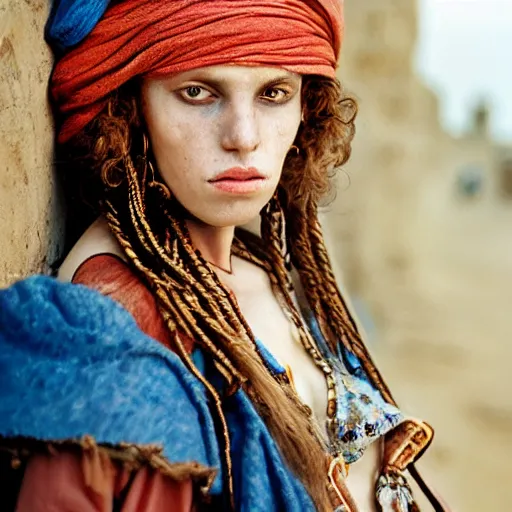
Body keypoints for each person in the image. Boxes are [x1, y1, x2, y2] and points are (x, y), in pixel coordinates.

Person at [0, 1, 449, 510]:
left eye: (273, 94)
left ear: (306, 108)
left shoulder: (265, 267)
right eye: (197, 92)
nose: (244, 138)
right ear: (130, 105)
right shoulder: (116, 346)